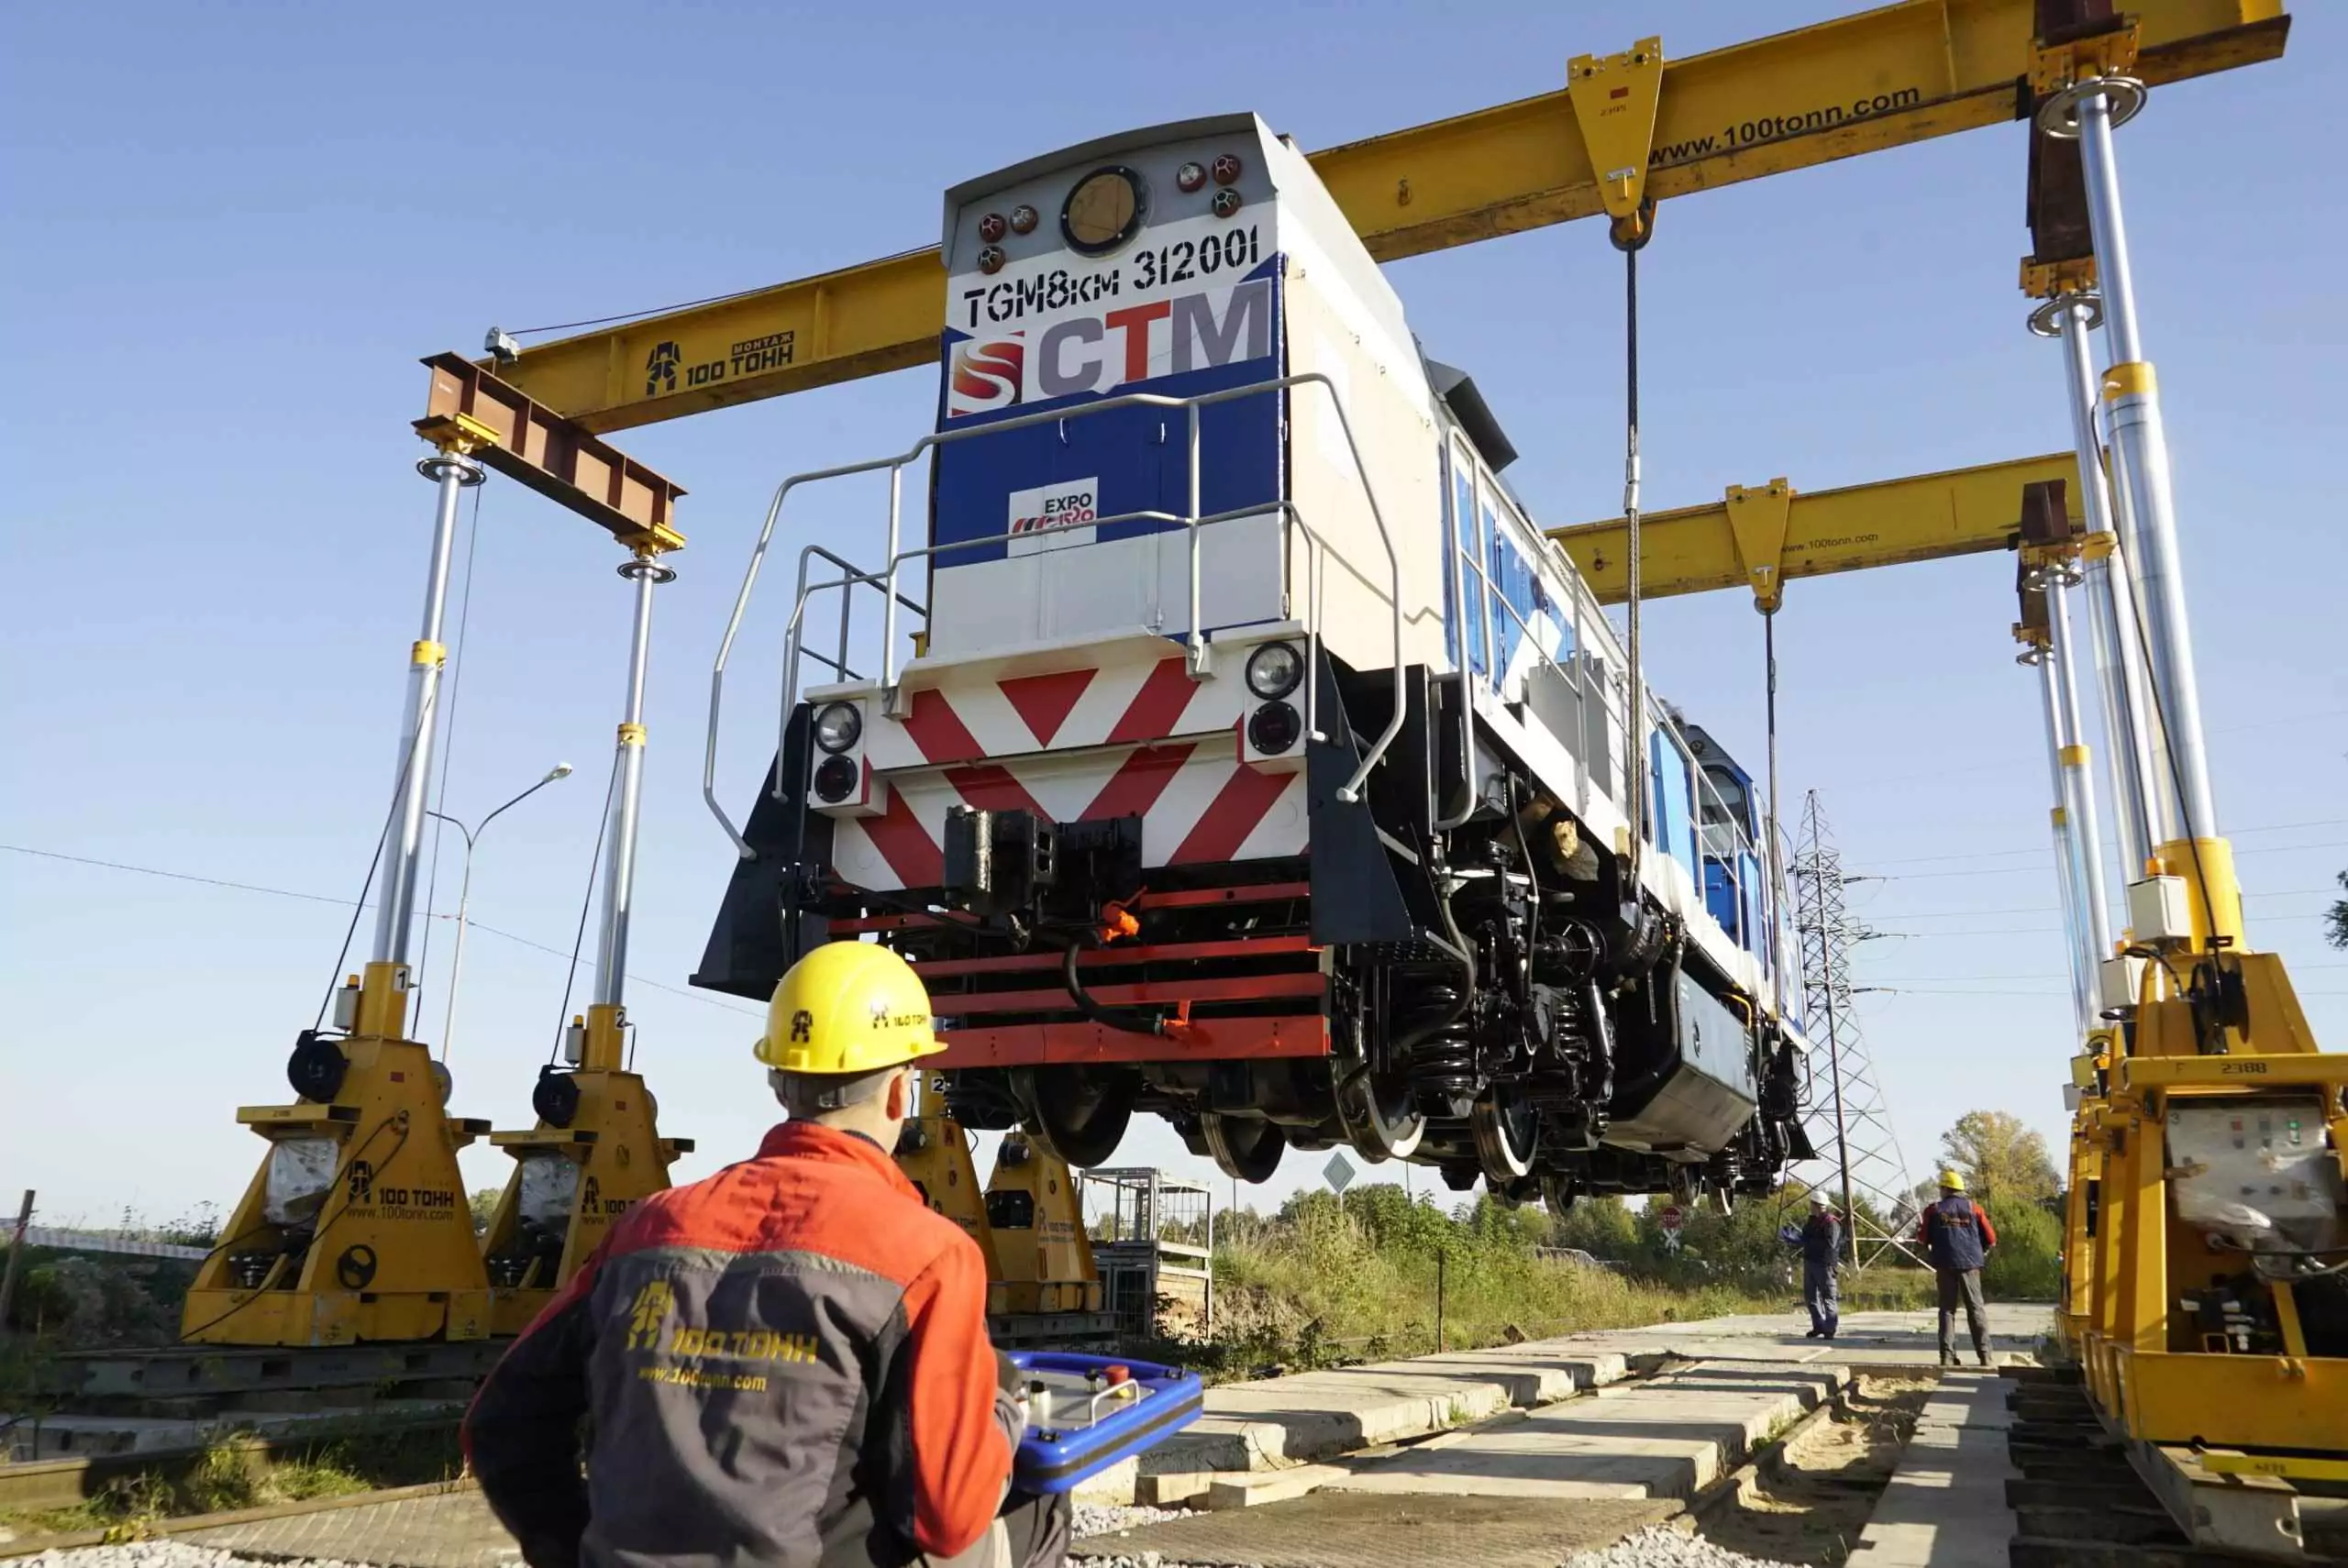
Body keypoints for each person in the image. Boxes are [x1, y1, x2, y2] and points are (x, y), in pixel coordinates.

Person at [464, 941, 1069, 1568]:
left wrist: (574, 1548)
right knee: (1038, 1505)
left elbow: (502, 1424)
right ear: (898, 1093)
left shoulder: (648, 1228)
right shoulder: (927, 1255)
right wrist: (1003, 1407)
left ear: (779, 1082)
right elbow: (946, 1515)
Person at [1917, 1168, 1999, 1368]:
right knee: (1976, 1309)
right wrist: (1982, 1250)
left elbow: (1922, 1238)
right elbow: (1991, 1238)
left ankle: (1947, 1357)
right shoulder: (1975, 1209)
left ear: (1945, 1188)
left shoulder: (1933, 1210)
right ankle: (1985, 1357)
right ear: (1960, 1189)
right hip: (1971, 1265)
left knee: (1947, 1310)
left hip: (1944, 1264)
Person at [1789, 1196, 1841, 1340]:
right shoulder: (1812, 1221)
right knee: (1811, 1297)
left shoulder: (1831, 1223)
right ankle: (1819, 1326)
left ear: (1817, 1204)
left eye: (1811, 1203)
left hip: (1825, 1265)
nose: (1810, 1206)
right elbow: (1806, 1236)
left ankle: (1830, 1329)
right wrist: (1796, 1238)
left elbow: (1830, 1245)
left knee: (1828, 1297)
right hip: (1810, 1262)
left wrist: (1808, 1242)